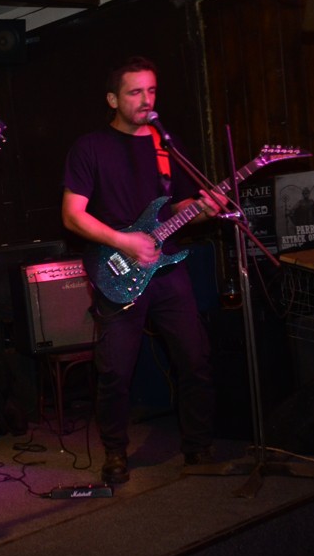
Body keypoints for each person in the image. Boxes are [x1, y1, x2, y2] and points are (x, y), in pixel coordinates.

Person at [62, 56, 223, 484]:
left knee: (195, 358)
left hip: (167, 267)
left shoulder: (166, 146)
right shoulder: (90, 148)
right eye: (135, 92)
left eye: (151, 90)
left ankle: (198, 446)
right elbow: (72, 215)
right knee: (115, 370)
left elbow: (181, 205)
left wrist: (204, 209)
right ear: (113, 99)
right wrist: (124, 241)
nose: (146, 100)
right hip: (116, 267)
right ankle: (115, 452)